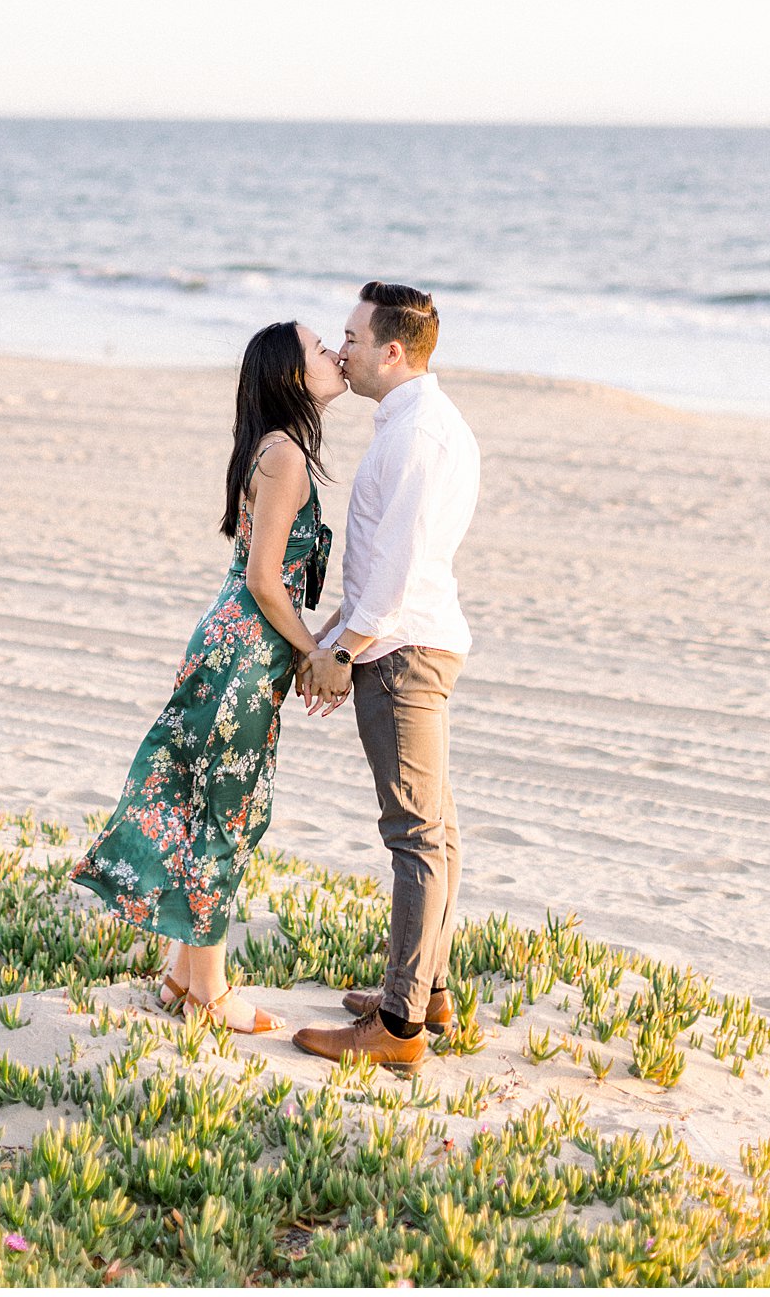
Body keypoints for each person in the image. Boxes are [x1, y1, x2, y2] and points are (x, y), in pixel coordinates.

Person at [69, 320, 346, 1033]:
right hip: (247, 650)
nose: (334, 355)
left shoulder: (267, 446)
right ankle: (210, 993)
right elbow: (264, 578)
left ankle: (180, 976)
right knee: (228, 808)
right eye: (320, 349)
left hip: (228, 640)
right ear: (291, 374)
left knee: (203, 799)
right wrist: (314, 649)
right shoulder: (284, 455)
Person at [292, 281, 481, 1067]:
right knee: (433, 830)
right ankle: (425, 993)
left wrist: (340, 651)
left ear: (392, 350)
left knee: (414, 836)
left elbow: (394, 576)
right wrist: (331, 636)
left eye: (353, 338)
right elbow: (379, 565)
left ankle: (397, 1030)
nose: (343, 351)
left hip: (403, 655)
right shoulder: (411, 423)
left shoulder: (417, 438)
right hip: (406, 644)